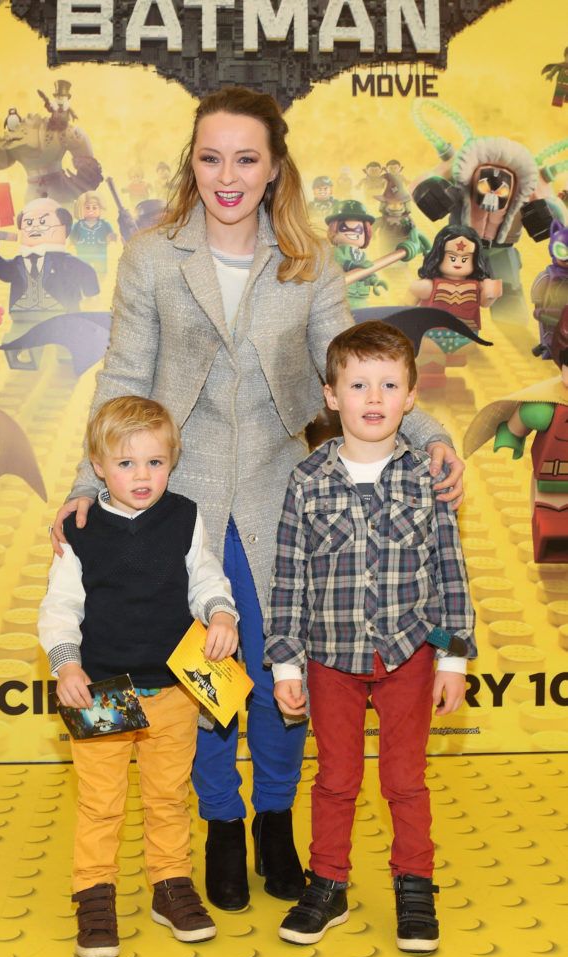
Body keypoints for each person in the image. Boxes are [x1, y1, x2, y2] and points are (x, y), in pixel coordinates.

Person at [50, 86, 465, 915]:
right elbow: (124, 380)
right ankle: (221, 823)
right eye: (210, 158)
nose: (227, 176)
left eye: (246, 158)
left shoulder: (311, 260)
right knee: (201, 675)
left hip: (285, 493)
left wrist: (430, 439)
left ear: (275, 166)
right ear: (191, 164)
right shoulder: (151, 257)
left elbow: (354, 368)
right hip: (182, 497)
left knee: (284, 666)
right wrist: (85, 489)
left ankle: (276, 815)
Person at [265, 321, 476, 952]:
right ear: (332, 395)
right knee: (334, 779)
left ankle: (415, 884)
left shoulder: (426, 479)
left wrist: (453, 659)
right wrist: (286, 667)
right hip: (330, 660)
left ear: (411, 397)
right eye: (358, 384)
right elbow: (288, 578)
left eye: (389, 384)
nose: (374, 397)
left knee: (405, 780)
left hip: (410, 654)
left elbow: (449, 572)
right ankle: (327, 884)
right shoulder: (306, 481)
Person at [39, 396, 238, 957]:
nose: (142, 476)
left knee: (168, 798)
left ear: (172, 461)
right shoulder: (80, 529)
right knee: (101, 802)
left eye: (155, 462)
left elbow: (205, 577)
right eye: (126, 464)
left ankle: (171, 885)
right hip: (100, 690)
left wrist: (221, 612)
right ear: (98, 465)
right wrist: (65, 662)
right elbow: (60, 606)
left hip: (174, 691)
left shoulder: (185, 516)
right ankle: (94, 893)